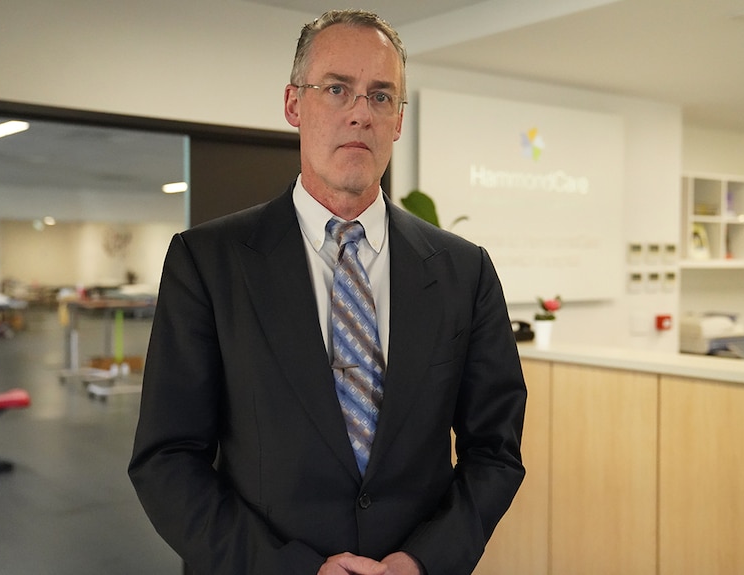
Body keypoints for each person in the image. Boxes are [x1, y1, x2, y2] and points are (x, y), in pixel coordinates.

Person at [128, 9, 527, 575]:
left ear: (398, 121)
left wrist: (422, 561)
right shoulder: (207, 262)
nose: (360, 113)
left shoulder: (466, 271)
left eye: (381, 96)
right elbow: (166, 459)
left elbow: (495, 452)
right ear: (294, 104)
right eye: (337, 89)